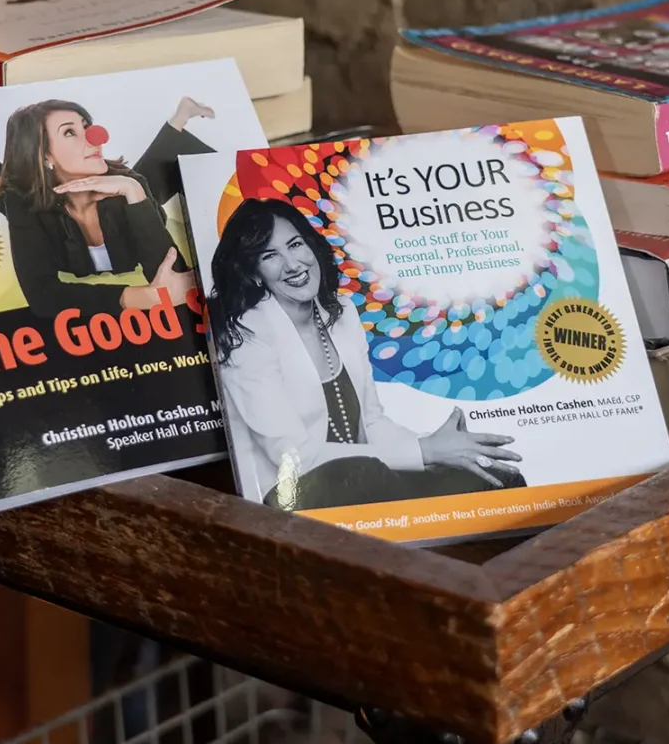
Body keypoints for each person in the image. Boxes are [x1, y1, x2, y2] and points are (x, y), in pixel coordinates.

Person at [209, 198, 524, 512]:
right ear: (253, 273)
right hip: (293, 494)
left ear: (312, 246)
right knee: (364, 475)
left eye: (295, 245)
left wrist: (442, 448)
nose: (292, 264)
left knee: (493, 476)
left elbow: (371, 422)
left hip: (369, 479)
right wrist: (423, 452)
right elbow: (293, 456)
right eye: (270, 256)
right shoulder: (245, 334)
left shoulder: (341, 311)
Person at [0, 96, 215, 319]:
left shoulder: (129, 186)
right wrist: (139, 297)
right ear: (45, 155)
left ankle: (181, 115)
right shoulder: (24, 203)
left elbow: (172, 275)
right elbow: (43, 297)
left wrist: (134, 193)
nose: (95, 139)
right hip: (36, 193)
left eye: (87, 127)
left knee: (143, 181)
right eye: (70, 132)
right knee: (0, 189)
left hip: (119, 188)